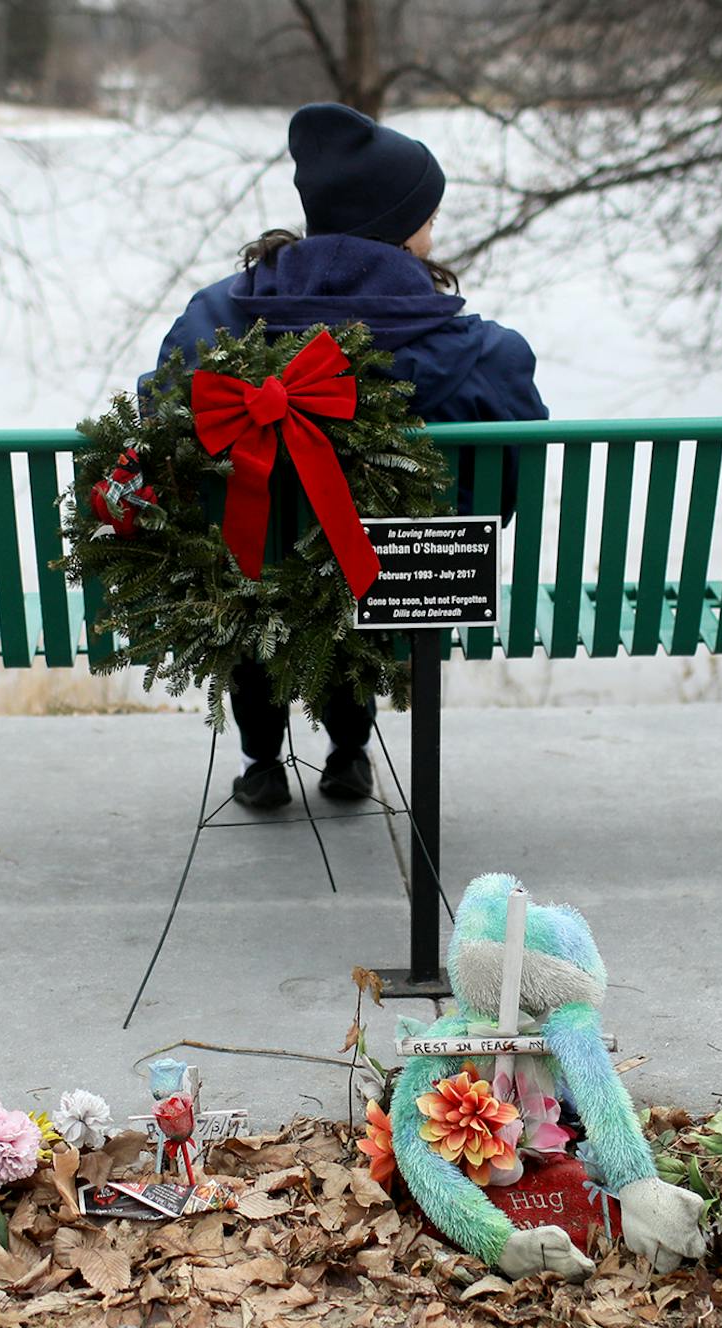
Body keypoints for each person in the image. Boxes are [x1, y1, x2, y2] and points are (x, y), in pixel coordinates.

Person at [148, 102, 548, 810]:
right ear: (400, 228)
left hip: (249, 586)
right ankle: (349, 752)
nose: (435, 227)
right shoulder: (487, 353)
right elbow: (511, 482)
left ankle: (262, 760)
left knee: (260, 561)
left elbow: (161, 424)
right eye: (428, 213)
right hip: (399, 593)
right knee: (371, 563)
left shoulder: (215, 317)